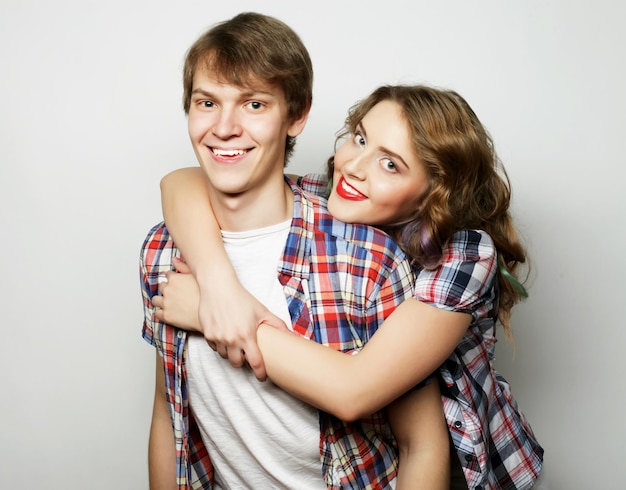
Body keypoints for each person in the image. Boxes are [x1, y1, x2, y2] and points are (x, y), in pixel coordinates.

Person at [155, 84, 545, 489]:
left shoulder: (465, 256)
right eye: (359, 138)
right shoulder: (330, 198)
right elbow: (182, 182)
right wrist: (219, 285)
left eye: (390, 164)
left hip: (475, 470)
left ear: (434, 192)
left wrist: (209, 312)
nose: (355, 166)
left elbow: (353, 390)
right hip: (390, 457)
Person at [140, 12, 450, 490]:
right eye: (207, 102)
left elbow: (419, 443)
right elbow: (170, 414)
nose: (224, 127)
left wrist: (209, 309)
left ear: (297, 114)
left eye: (254, 104)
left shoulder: (366, 257)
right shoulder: (164, 250)